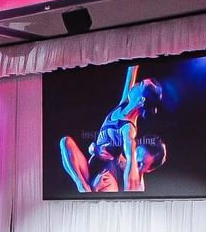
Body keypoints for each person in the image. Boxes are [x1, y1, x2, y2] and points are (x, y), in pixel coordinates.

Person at [59, 64, 166, 193]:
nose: (135, 84)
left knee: (108, 191)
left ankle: (89, 191)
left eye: (140, 84)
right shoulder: (123, 103)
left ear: (141, 100)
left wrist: (131, 191)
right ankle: (83, 187)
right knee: (65, 142)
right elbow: (131, 69)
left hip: (106, 174)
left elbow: (131, 157)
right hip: (90, 165)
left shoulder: (128, 129)